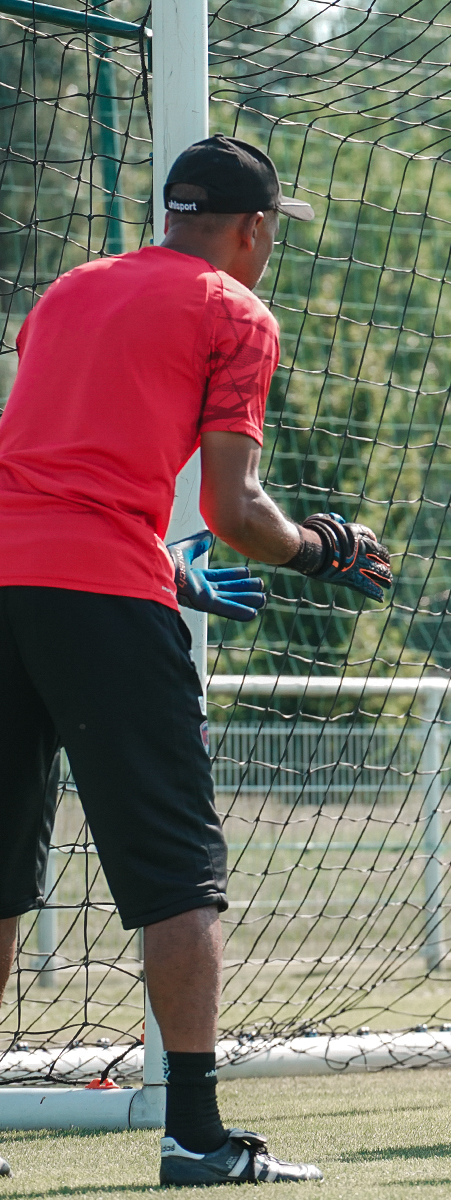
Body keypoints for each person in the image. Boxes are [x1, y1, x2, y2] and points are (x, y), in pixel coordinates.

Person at [0, 135, 392, 1186]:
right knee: (181, 876)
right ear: (253, 229)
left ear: (174, 213)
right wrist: (319, 549)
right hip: (102, 600)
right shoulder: (235, 311)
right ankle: (195, 1135)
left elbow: (47, 469)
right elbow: (234, 508)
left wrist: (163, 565)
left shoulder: (69, 290)